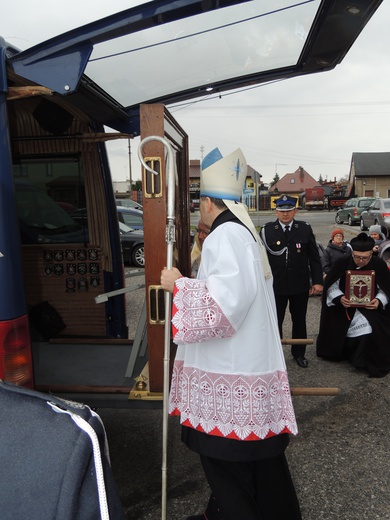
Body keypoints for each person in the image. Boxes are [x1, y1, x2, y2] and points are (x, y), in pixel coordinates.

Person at [161, 148, 301, 520]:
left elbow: (224, 307)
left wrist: (179, 286)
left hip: (229, 376)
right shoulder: (245, 234)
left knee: (227, 473)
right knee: (252, 470)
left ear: (207, 203)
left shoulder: (224, 237)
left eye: (199, 204)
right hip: (245, 372)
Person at [261, 195, 323, 368]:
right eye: (281, 211)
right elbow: (261, 259)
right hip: (276, 285)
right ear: (276, 211)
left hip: (299, 284)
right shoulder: (267, 230)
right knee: (276, 320)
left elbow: (314, 257)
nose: (285, 214)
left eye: (288, 211)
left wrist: (317, 281)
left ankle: (299, 353)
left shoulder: (304, 229)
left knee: (299, 320)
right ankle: (276, 353)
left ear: (295, 211)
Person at [316, 232, 390, 377]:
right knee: (344, 327)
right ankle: (347, 353)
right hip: (345, 307)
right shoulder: (342, 263)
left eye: (364, 258)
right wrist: (340, 298)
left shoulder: (378, 264)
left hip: (370, 307)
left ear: (371, 255)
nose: (360, 261)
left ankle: (361, 361)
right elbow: (331, 286)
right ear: (352, 254)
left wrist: (379, 301)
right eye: (357, 257)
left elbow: (386, 288)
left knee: (371, 328)